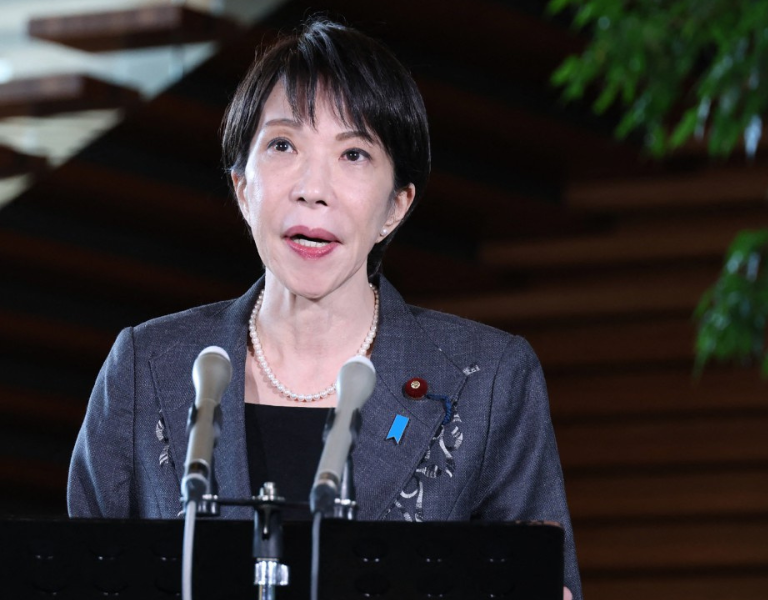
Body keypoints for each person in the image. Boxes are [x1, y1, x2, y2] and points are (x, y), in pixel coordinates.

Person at [68, 17, 581, 598]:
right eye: (283, 145)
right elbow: (81, 576)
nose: (313, 189)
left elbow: (543, 580)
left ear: (396, 206)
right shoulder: (147, 366)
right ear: (242, 187)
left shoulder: (485, 379)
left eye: (354, 154)